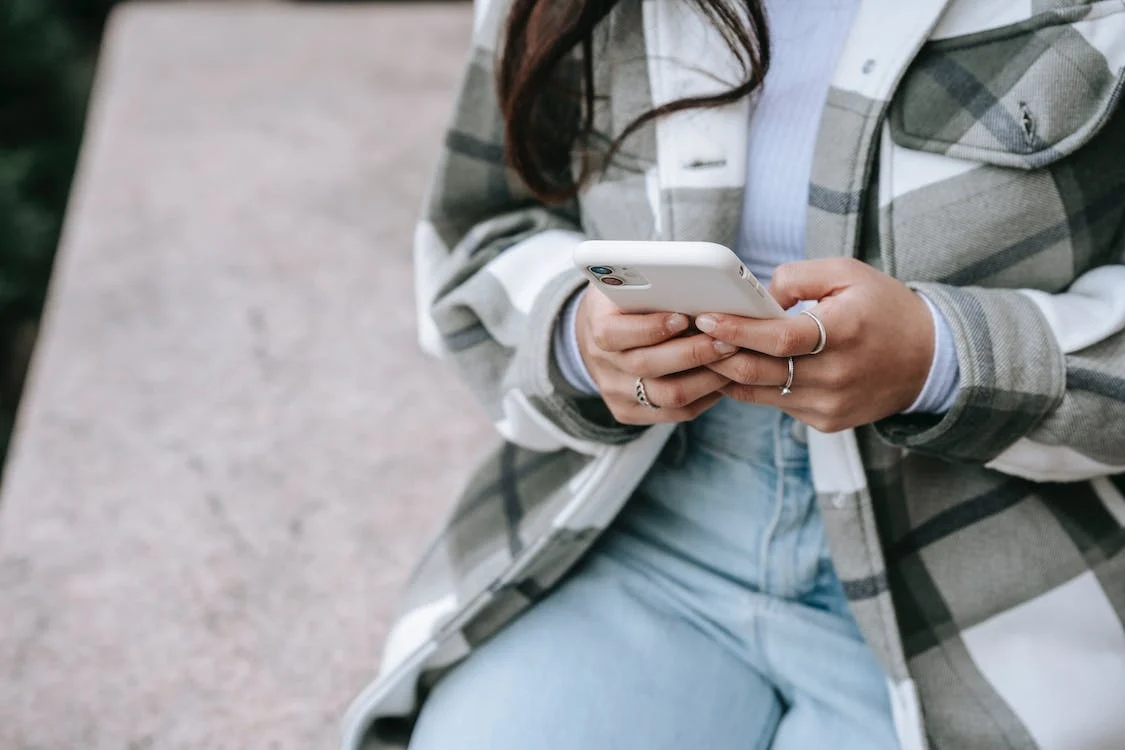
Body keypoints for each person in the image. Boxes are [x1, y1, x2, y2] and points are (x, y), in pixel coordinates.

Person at [343, 0, 1125, 747]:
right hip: (645, 515)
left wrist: (940, 361)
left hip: (1005, 559)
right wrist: (582, 338)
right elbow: (480, 228)